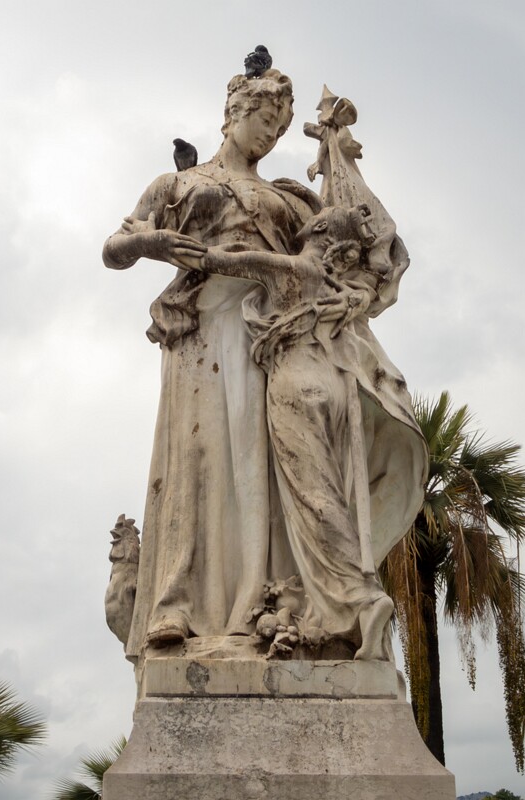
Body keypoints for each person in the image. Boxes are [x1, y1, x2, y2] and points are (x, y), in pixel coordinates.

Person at [103, 69, 324, 660]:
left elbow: (327, 260)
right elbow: (114, 248)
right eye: (265, 121)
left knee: (259, 468)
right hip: (197, 332)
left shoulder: (285, 198)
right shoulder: (178, 183)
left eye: (280, 129)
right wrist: (150, 245)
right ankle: (176, 605)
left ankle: (261, 600)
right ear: (234, 112)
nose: (272, 137)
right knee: (196, 459)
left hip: (264, 337)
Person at [194, 204, 427, 659]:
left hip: (296, 386)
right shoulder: (344, 287)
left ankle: (358, 598)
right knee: (333, 493)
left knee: (311, 499)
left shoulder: (286, 268)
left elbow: (211, 260)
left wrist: (156, 243)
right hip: (338, 385)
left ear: (319, 230)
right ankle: (342, 607)